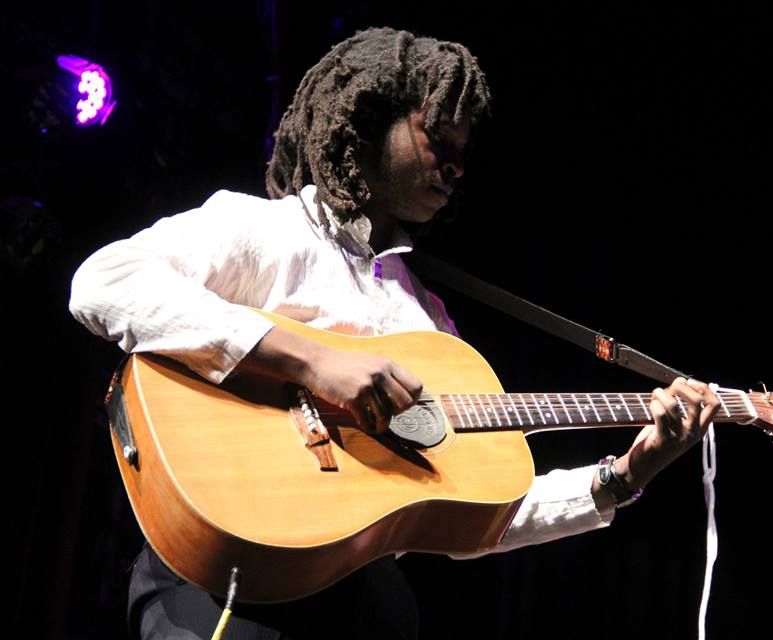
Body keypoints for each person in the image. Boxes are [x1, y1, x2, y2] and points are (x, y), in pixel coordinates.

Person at [69, 26, 720, 639]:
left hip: (356, 597)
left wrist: (625, 474)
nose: (456, 166)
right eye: (438, 138)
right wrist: (312, 362)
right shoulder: (269, 233)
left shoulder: (429, 322)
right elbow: (102, 282)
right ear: (368, 120)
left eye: (465, 153)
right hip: (231, 578)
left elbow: (470, 509)